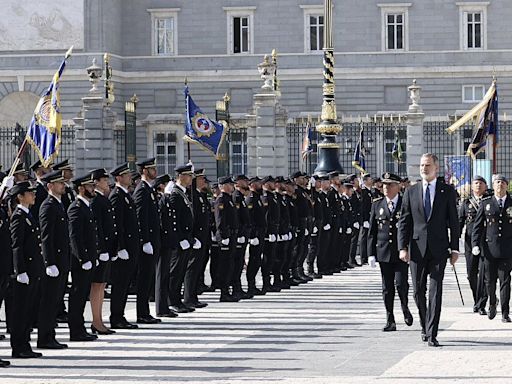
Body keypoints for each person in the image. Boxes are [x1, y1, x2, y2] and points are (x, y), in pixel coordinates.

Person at [398, 153, 460, 347]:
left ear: (436, 168)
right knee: (417, 291)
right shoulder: (411, 192)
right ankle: (425, 324)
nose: (424, 168)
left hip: (439, 248)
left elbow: (454, 222)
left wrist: (455, 249)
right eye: (422, 165)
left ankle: (432, 332)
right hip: (416, 248)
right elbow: (404, 221)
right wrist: (402, 247)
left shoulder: (446, 191)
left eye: (428, 165)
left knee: (435, 291)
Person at [368, 172, 413, 332]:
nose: (386, 188)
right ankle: (390, 318)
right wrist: (370, 253)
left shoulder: (405, 204)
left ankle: (405, 307)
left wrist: (408, 248)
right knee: (387, 287)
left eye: (390, 185)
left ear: (398, 186)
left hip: (401, 252)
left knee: (401, 284)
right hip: (384, 251)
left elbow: (410, 228)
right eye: (384, 185)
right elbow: (372, 231)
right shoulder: (377, 205)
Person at [9, 181, 44, 358]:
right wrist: (20, 270)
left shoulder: (28, 214)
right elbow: (17, 246)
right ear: (20, 197)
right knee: (21, 311)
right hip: (25, 271)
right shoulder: (18, 216)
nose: (33, 195)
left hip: (32, 269)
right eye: (29, 193)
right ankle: (18, 346)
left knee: (28, 310)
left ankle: (25, 344)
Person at [472, 174, 512, 322]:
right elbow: (477, 226)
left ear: (506, 186)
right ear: (493, 186)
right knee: (490, 281)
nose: (500, 185)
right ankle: (492, 303)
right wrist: (475, 244)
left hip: (507, 249)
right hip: (489, 249)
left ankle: (505, 312)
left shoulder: (511, 202)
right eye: (497, 182)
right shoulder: (486, 203)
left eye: (502, 182)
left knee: (505, 281)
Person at [37, 170, 70, 349]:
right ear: (50, 186)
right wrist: (49, 262)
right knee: (49, 301)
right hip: (54, 261)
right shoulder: (48, 206)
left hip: (61, 260)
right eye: (59, 183)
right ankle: (45, 337)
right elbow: (46, 237)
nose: (63, 185)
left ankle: (50, 335)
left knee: (55, 300)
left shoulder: (58, 204)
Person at [67, 172, 99, 342]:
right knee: (77, 295)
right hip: (81, 261)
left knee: (82, 295)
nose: (93, 189)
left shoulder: (86, 206)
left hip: (89, 258)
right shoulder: (76, 207)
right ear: (81, 189)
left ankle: (80, 328)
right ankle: (75, 330)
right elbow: (75, 237)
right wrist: (83, 258)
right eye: (90, 186)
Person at [109, 163, 139, 329]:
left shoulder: (126, 195)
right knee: (120, 284)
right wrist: (120, 247)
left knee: (125, 284)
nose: (130, 177)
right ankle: (116, 317)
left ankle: (120, 315)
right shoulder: (117, 196)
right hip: (124, 248)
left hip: (130, 246)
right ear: (119, 177)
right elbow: (117, 224)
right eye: (126, 175)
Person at [133, 158, 161, 324]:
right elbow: (140, 217)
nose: (154, 171)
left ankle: (145, 312)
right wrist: (144, 240)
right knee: (144, 279)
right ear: (144, 171)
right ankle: (141, 313)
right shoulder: (142, 190)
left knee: (148, 278)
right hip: (147, 241)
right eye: (151, 169)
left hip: (153, 239)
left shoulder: (148, 189)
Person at [166, 164, 197, 312]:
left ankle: (178, 299)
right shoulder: (175, 193)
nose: (191, 178)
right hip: (179, 240)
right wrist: (180, 238)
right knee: (175, 271)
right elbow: (174, 219)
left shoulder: (183, 193)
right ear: (181, 176)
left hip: (186, 238)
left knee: (181, 271)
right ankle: (172, 300)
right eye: (189, 175)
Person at [90, 168, 116, 335]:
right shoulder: (96, 201)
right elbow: (96, 227)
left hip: (107, 248)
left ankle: (99, 320)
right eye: (105, 180)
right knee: (97, 285)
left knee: (102, 285)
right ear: (97, 182)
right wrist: (100, 249)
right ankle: (96, 320)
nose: (107, 183)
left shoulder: (103, 199)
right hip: (101, 250)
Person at [459, 176, 489, 315]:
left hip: (486, 242)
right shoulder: (466, 203)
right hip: (470, 242)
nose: (478, 186)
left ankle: (481, 303)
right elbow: (460, 223)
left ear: (486, 186)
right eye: (476, 183)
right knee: (471, 274)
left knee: (484, 274)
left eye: (481, 183)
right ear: (472, 186)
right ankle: (477, 299)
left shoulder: (489, 201)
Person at [183, 169, 210, 308]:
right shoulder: (192, 195)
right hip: (196, 237)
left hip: (202, 237)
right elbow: (192, 218)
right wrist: (193, 237)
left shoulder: (200, 195)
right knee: (191, 269)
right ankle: (188, 297)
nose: (204, 181)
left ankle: (193, 296)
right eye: (201, 178)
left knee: (197, 269)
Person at [215, 176, 240, 301]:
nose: (232, 186)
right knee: (225, 266)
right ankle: (224, 292)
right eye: (229, 184)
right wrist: (224, 235)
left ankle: (227, 290)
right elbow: (220, 220)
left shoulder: (229, 199)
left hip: (232, 235)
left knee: (230, 265)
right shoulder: (221, 200)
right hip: (226, 236)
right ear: (223, 186)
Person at [246, 177, 266, 295]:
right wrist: (252, 236)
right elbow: (250, 219)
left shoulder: (257, 198)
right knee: (253, 260)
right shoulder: (251, 199)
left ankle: (252, 285)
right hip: (255, 234)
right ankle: (250, 284)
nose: (260, 185)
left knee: (257, 259)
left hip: (260, 233)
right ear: (252, 185)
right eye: (258, 183)